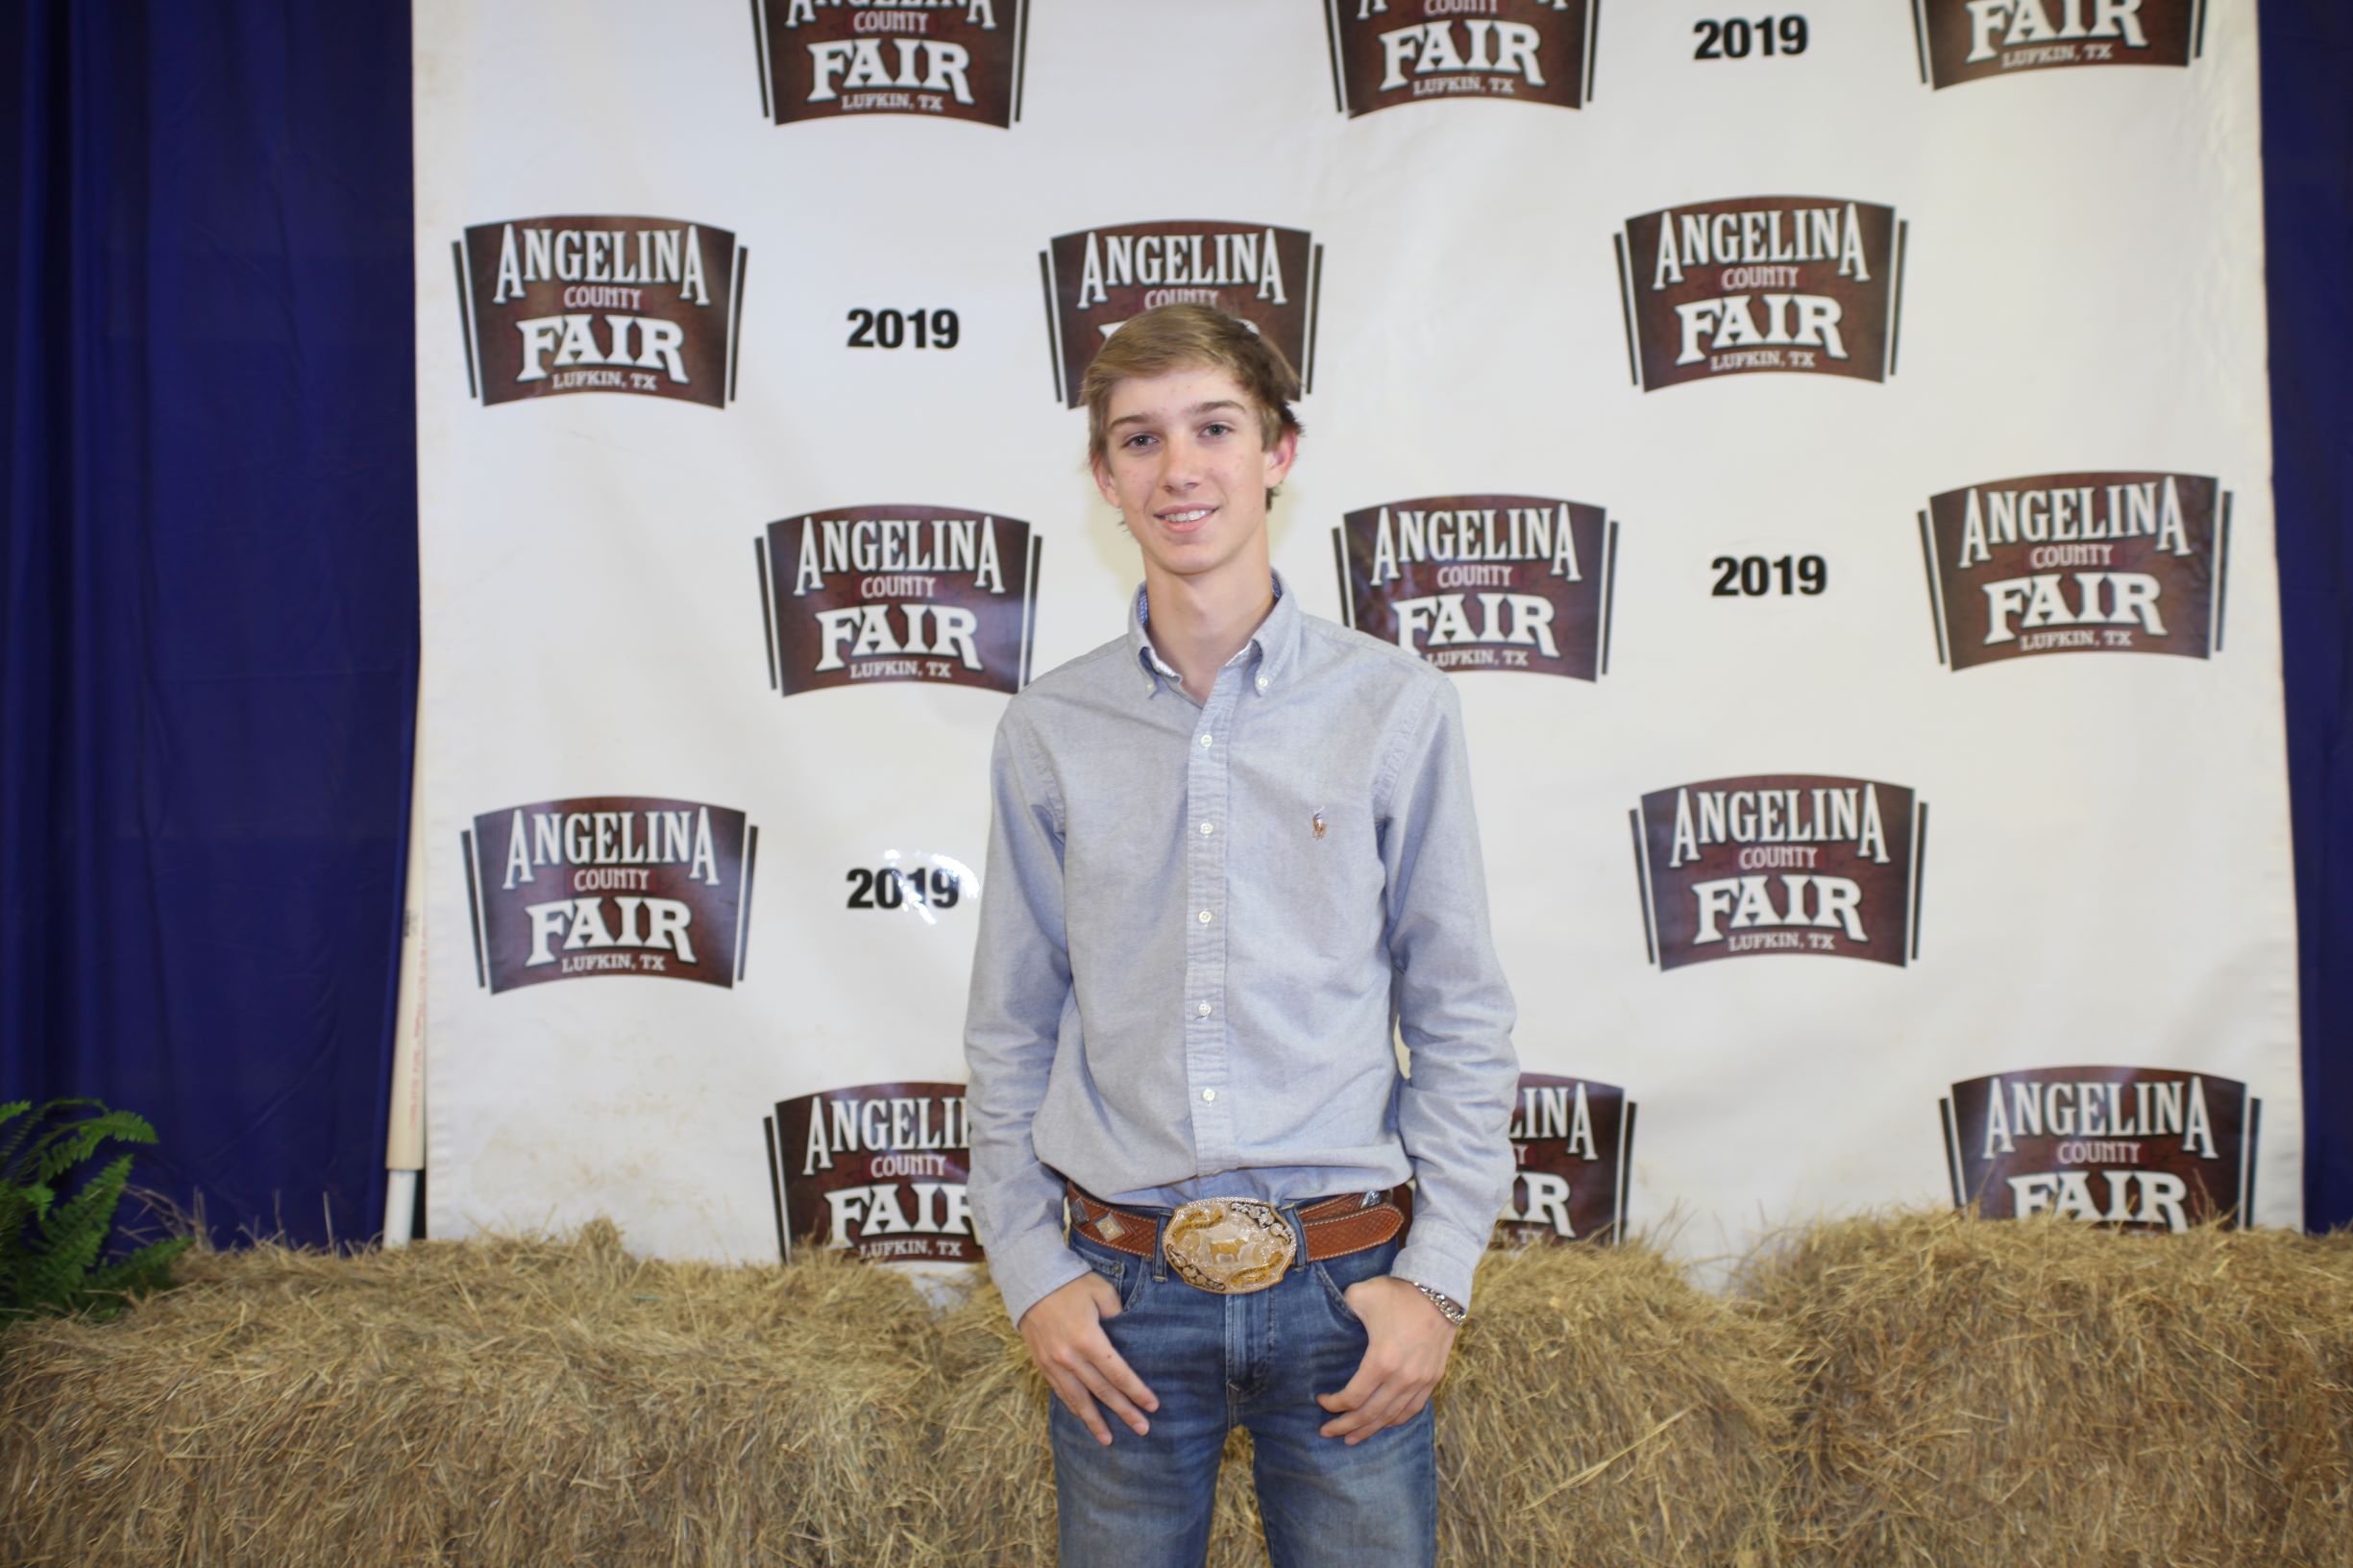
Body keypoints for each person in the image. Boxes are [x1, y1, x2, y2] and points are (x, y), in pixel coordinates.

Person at [962, 302, 1519, 1566]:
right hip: (1121, 1299)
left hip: (1344, 1285)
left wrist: (1431, 1280)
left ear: (1277, 451)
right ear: (1105, 479)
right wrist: (1030, 1271)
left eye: (1213, 427)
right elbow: (1010, 1024)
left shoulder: (1394, 708)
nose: (1180, 468)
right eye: (1140, 440)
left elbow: (1458, 1007)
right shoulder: (1049, 731)